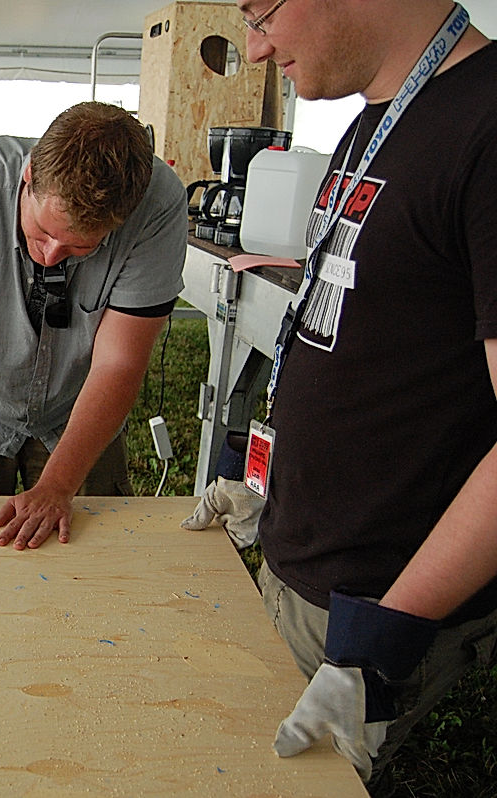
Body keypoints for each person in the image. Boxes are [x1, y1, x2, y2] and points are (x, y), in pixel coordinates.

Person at [192, 2, 496, 794]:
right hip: (306, 565)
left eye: (260, 13)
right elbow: (359, 337)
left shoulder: (486, 125)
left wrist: (379, 644)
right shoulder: (376, 120)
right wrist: (269, 481)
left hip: (373, 613)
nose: (255, 48)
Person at [0, 101, 188, 550]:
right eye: (42, 232)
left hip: (78, 404)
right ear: (28, 178)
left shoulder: (157, 207)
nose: (51, 255)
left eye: (80, 248)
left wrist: (58, 485)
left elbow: (118, 364)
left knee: (90, 558)